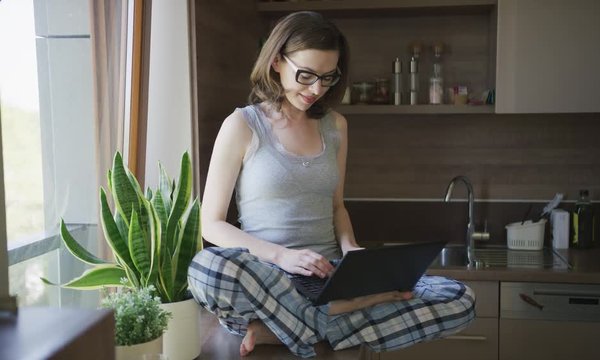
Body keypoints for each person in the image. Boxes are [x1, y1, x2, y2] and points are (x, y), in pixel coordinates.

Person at [188, 11, 475, 358]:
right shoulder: (242, 125)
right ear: (277, 61)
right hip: (266, 278)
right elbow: (211, 223)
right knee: (207, 269)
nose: (315, 90)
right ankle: (338, 316)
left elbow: (336, 206)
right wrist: (284, 256)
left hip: (330, 277)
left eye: (327, 78)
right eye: (306, 75)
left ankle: (286, 329)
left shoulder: (335, 126)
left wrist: (351, 250)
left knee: (458, 297)